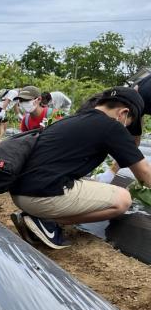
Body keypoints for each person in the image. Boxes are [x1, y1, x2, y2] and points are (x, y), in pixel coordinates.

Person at [9, 87, 151, 250]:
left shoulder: (72, 120)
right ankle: (47, 221)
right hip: (40, 197)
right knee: (123, 199)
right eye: (129, 123)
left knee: (89, 183)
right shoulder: (111, 126)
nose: (126, 129)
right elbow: (145, 175)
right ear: (123, 113)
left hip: (19, 193)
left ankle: (39, 216)